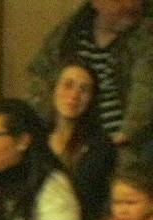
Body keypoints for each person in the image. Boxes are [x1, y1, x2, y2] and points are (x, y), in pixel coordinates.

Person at [29, 0, 153, 155]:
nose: (129, 5)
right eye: (118, 1)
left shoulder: (146, 36)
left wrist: (127, 136)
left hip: (127, 149)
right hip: (71, 148)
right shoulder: (69, 34)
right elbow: (40, 80)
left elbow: (145, 88)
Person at [44, 58, 117, 220]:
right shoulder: (36, 137)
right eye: (68, 85)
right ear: (54, 88)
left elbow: (99, 204)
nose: (75, 95)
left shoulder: (101, 146)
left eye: (84, 89)